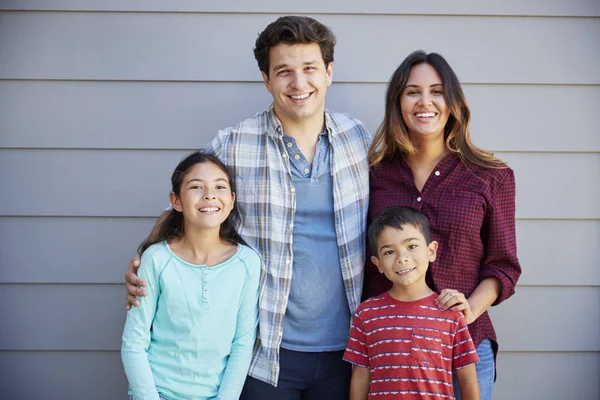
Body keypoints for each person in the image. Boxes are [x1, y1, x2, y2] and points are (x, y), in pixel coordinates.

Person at [125, 16, 371, 399]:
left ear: (328, 73)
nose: (299, 83)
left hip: (349, 348)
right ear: (266, 79)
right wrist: (144, 260)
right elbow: (190, 207)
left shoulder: (359, 138)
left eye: (309, 69)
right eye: (284, 71)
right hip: (265, 350)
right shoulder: (234, 144)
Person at [365, 50, 521, 399]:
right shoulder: (373, 174)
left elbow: (503, 266)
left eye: (436, 91)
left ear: (452, 101)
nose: (426, 102)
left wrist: (468, 310)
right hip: (390, 347)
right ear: (398, 103)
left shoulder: (492, 177)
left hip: (463, 346)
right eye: (412, 91)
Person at [121, 151, 261, 400]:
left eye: (219, 187)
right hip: (158, 393)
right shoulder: (157, 259)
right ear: (176, 201)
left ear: (231, 200)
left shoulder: (247, 264)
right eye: (196, 187)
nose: (209, 195)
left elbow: (241, 344)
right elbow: (134, 342)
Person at [345, 206, 480, 400]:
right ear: (378, 264)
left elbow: (467, 378)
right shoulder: (366, 313)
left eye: (412, 246)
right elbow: (360, 375)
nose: (402, 258)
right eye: (389, 251)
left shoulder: (450, 312)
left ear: (431, 251)